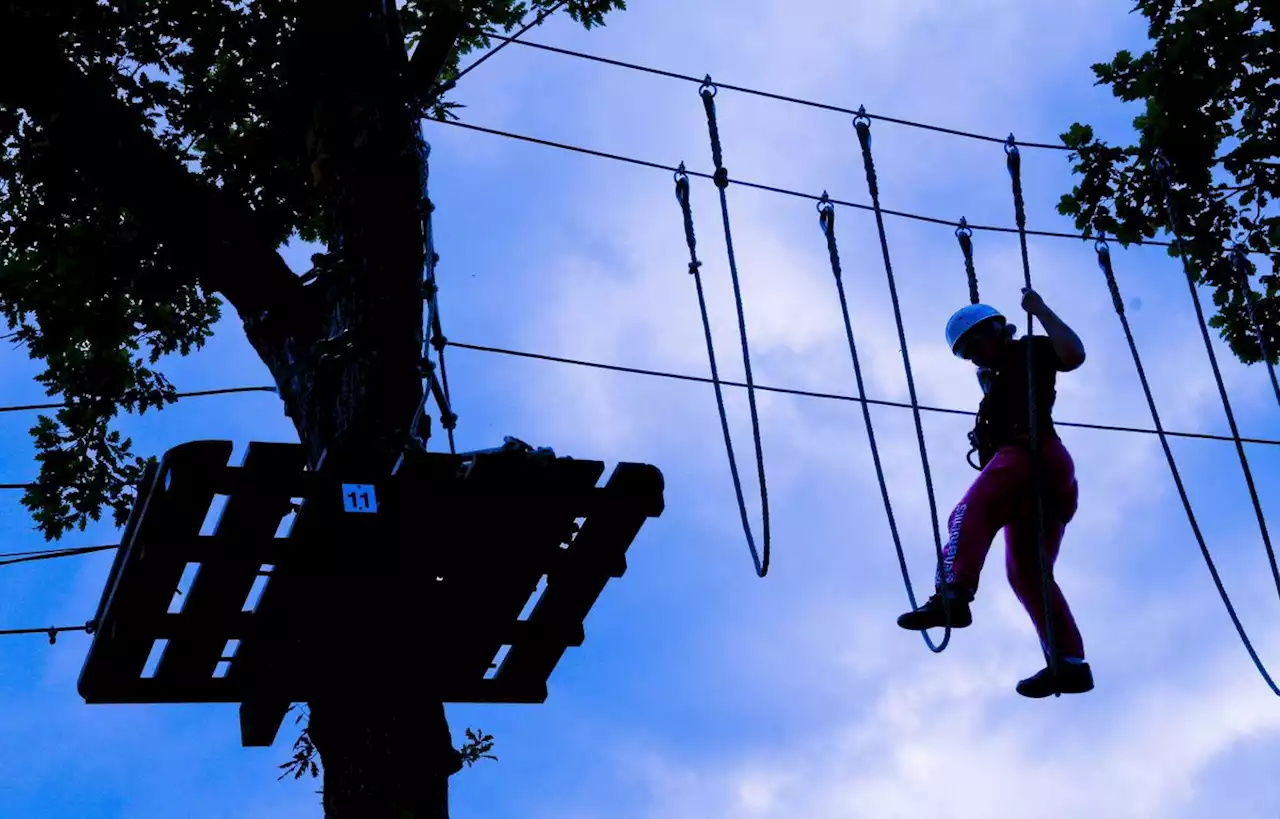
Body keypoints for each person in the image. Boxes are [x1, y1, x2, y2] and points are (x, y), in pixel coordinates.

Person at [896, 287, 1093, 698]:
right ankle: (1069, 665)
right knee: (1026, 573)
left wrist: (1041, 310)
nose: (972, 356)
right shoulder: (999, 376)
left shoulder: (1030, 350)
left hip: (1030, 454)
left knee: (967, 514)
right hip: (1038, 480)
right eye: (964, 353)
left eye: (973, 346)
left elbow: (1073, 355)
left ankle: (952, 594)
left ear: (996, 331)